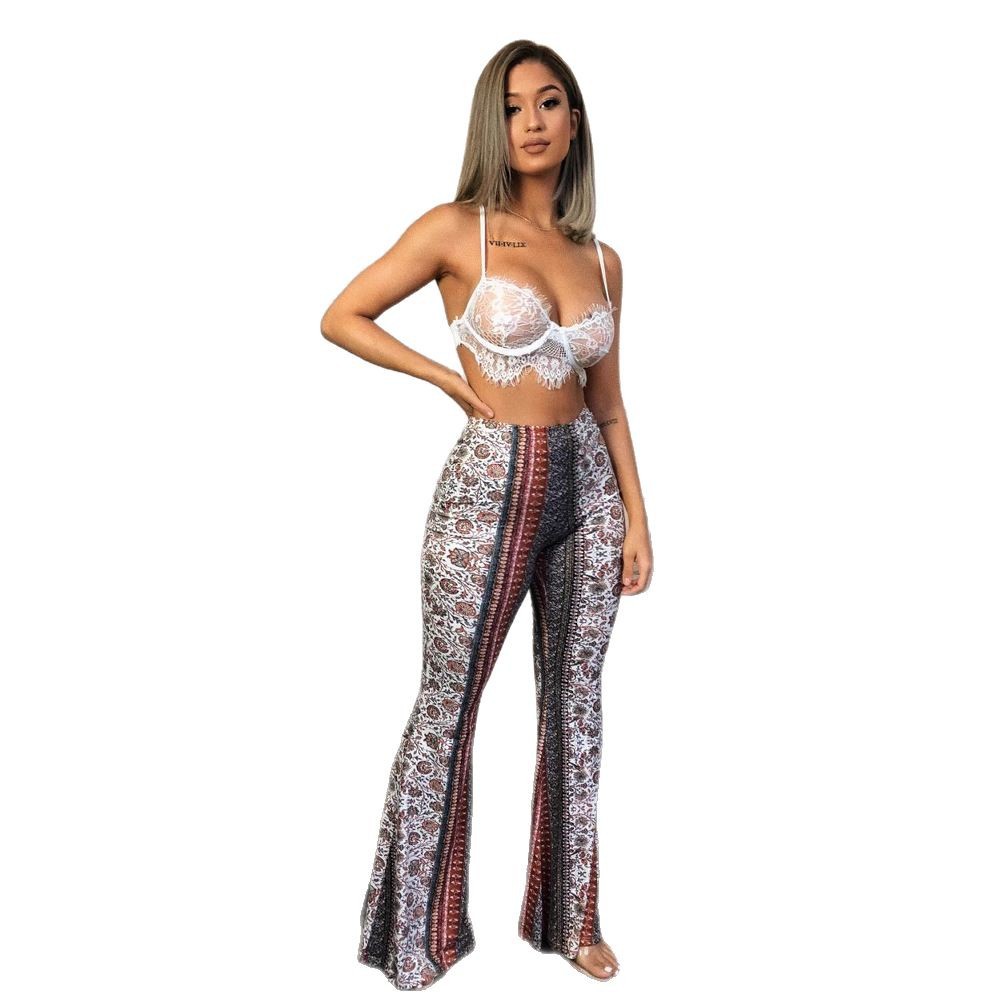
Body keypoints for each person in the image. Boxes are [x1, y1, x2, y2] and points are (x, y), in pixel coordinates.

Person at [321, 39, 653, 991]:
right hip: (489, 482)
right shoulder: (456, 230)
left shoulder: (602, 259)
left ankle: (571, 921)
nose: (532, 122)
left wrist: (638, 518)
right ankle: (413, 936)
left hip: (588, 489)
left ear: (574, 121)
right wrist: (442, 377)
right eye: (513, 107)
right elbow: (343, 315)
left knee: (577, 708)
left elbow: (610, 404)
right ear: (492, 125)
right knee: (448, 705)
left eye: (549, 103)